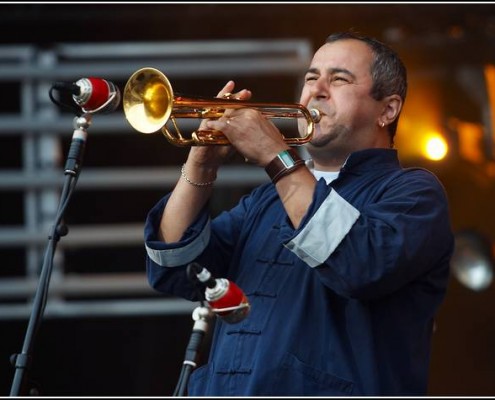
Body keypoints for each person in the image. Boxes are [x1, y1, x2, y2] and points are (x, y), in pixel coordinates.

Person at [143, 31, 454, 396]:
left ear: (387, 109)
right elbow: (173, 267)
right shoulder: (264, 200)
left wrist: (276, 156)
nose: (316, 90)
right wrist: (200, 163)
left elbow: (358, 264)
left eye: (339, 79)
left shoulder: (413, 193)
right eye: (310, 78)